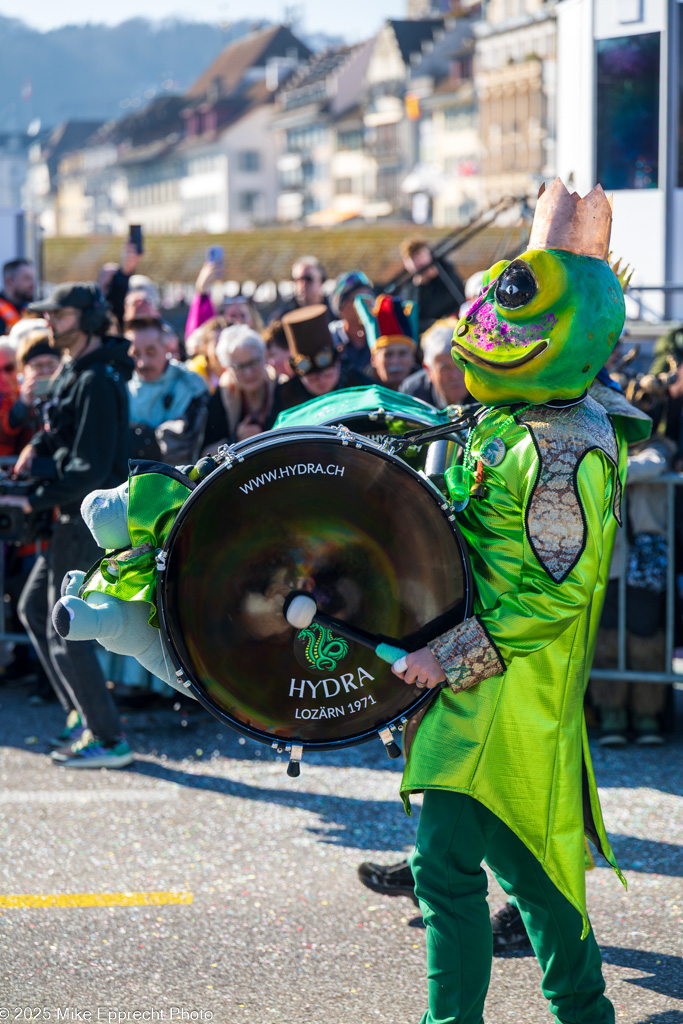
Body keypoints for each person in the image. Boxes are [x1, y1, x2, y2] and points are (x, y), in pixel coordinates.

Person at [392, 180, 651, 1023]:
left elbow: (557, 595)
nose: (485, 327)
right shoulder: (508, 422)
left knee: (537, 883)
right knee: (452, 870)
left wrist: (446, 654)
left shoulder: (565, 444)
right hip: (474, 696)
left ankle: (582, 1014)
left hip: (512, 699)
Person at [11, 282, 134, 768]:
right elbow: (58, 439)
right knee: (31, 609)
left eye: (58, 315)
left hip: (82, 523)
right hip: (65, 516)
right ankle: (82, 718)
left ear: (86, 318)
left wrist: (32, 494)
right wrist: (35, 454)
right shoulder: (76, 372)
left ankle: (108, 738)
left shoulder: (98, 380)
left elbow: (91, 470)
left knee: (67, 626)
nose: (49, 323)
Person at [125, 300, 209, 466]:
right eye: (135, 354)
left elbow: (187, 449)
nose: (142, 362)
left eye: (151, 352)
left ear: (166, 348)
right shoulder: (120, 386)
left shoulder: (192, 386)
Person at [267, 305, 370, 424]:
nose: (321, 380)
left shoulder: (360, 386)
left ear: (338, 364)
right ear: (299, 375)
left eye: (327, 374)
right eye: (312, 377)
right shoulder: (285, 396)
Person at [202, 325, 277, 450]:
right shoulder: (222, 395)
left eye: (253, 363)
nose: (249, 373)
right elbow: (205, 454)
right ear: (227, 369)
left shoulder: (281, 387)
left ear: (265, 358)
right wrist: (237, 441)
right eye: (239, 367)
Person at [400, 319, 471, 409]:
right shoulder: (412, 395)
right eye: (445, 368)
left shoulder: (486, 393)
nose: (455, 375)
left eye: (461, 364)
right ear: (428, 370)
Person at [355, 293, 420, 391]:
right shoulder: (359, 391)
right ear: (373, 360)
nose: (395, 361)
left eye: (402, 354)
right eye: (388, 355)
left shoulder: (429, 391)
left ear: (413, 358)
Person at [399, 237, 465, 334]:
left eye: (421, 255)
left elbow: (459, 299)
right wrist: (420, 287)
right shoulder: (409, 286)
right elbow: (412, 317)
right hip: (426, 333)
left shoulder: (446, 272)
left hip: (453, 327)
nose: (419, 261)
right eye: (413, 258)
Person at [330, 271, 374, 375]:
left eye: (370, 298)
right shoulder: (329, 338)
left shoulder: (383, 336)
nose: (367, 304)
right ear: (341, 308)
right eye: (359, 300)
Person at [270, 256, 331, 322]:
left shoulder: (335, 314)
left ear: (321, 281)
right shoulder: (282, 319)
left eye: (308, 279)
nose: (302, 284)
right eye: (297, 280)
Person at [0, 259, 36, 336]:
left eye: (32, 278)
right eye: (27, 278)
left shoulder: (30, 309)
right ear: (10, 281)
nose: (32, 284)